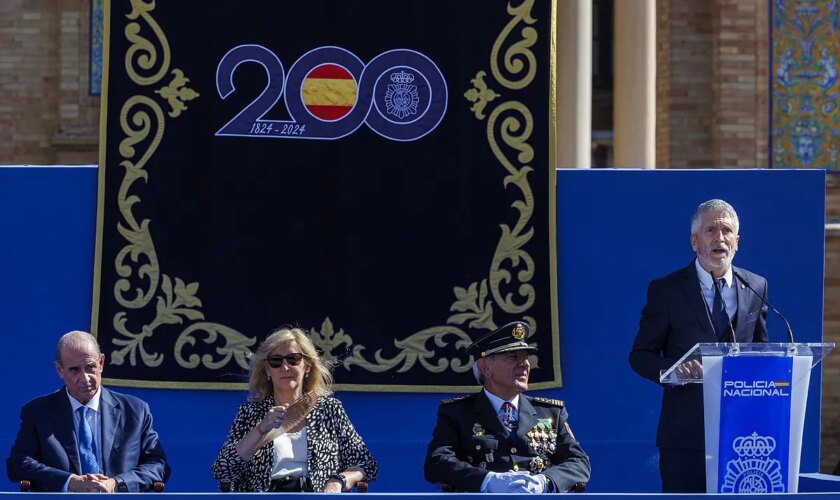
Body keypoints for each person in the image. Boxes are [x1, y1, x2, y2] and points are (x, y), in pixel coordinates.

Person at [629, 199, 768, 493]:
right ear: (695, 241)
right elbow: (640, 355)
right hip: (685, 437)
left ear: (737, 241)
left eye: (727, 231)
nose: (720, 237)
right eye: (710, 230)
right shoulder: (666, 290)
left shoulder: (756, 286)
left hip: (741, 434)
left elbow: (761, 352)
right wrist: (674, 370)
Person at [424, 321, 591, 493]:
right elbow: (437, 462)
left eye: (525, 357)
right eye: (513, 357)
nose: (524, 363)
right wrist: (488, 481)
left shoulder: (550, 413)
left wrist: (545, 482)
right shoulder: (457, 413)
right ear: (485, 367)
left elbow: (579, 462)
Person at [211, 327, 377, 492]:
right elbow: (222, 470)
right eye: (276, 361)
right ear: (268, 370)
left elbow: (366, 464)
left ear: (308, 366)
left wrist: (338, 481)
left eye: (293, 359)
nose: (285, 367)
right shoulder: (250, 412)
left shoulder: (330, 410)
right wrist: (261, 429)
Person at [6, 331, 170, 492]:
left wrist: (116, 484)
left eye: (90, 367)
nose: (85, 379)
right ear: (59, 370)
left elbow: (157, 465)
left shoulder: (135, 411)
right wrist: (70, 482)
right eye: (74, 370)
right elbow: (18, 463)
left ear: (101, 363)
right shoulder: (38, 412)